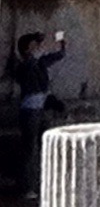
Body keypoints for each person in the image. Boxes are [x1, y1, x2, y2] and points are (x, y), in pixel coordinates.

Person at [6, 30, 66, 197]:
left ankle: (41, 184)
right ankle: (26, 187)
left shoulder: (39, 62)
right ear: (26, 50)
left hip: (41, 109)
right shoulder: (24, 65)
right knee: (29, 149)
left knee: (43, 147)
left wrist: (61, 41)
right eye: (34, 46)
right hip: (30, 111)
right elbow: (27, 71)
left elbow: (59, 55)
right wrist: (35, 52)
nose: (39, 48)